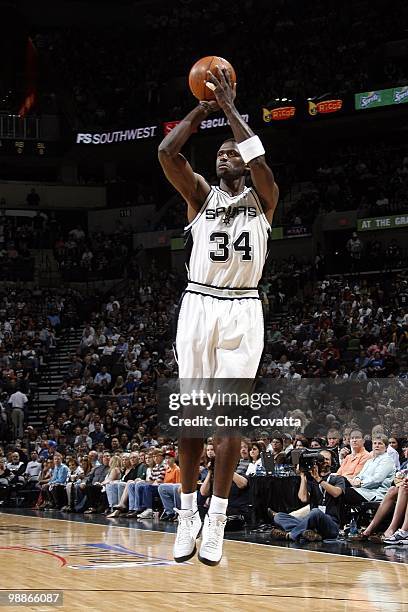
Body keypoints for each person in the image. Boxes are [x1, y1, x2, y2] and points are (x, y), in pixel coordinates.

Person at [158, 64, 278, 566]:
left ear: (244, 164)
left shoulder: (265, 198)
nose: (226, 153)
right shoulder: (199, 197)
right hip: (200, 302)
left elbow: (260, 157)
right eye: (220, 152)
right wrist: (203, 108)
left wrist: (230, 109)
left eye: (233, 152)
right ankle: (188, 511)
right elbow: (167, 153)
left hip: (243, 309)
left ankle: (218, 518)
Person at [272, 449, 345, 542]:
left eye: (326, 459)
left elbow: (336, 493)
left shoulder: (337, 478)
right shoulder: (311, 479)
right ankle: (307, 533)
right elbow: (303, 498)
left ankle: (291, 535)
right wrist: (303, 476)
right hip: (312, 524)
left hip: (331, 525)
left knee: (316, 512)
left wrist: (319, 480)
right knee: (279, 516)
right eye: (321, 459)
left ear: (332, 462)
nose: (323, 461)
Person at [344, 434, 395, 506]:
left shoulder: (387, 460)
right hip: (362, 490)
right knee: (339, 486)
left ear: (386, 447)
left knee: (342, 493)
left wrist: (360, 484)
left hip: (375, 493)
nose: (377, 445)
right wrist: (357, 479)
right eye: (375, 443)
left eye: (380, 443)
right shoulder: (370, 461)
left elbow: (377, 480)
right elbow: (360, 474)